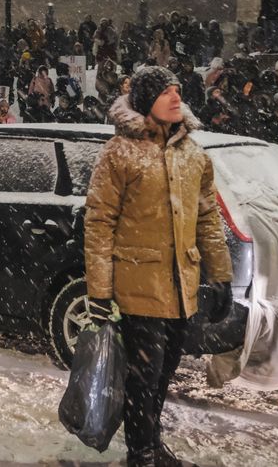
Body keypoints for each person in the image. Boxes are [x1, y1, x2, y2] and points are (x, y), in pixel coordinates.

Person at [85, 67, 233, 467]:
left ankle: (152, 445)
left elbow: (207, 218)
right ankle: (141, 454)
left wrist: (221, 275)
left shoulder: (193, 154)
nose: (175, 97)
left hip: (181, 284)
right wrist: (99, 290)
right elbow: (100, 222)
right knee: (143, 378)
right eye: (166, 92)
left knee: (163, 375)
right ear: (146, 101)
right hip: (139, 283)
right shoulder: (120, 152)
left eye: (178, 91)